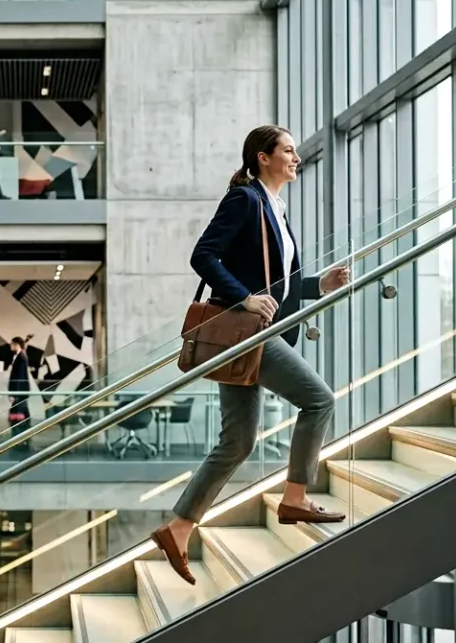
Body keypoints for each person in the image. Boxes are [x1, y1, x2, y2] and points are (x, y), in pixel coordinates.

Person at [150, 125, 352, 585]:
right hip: (247, 332)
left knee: (237, 442)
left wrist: (320, 284)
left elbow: (275, 285)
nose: (296, 157)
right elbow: (204, 256)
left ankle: (178, 528)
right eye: (288, 150)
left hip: (254, 329)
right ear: (263, 158)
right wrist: (242, 298)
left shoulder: (276, 208)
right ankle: (296, 496)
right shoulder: (246, 200)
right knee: (319, 400)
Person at [7, 336, 33, 449]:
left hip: (19, 391)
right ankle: (23, 437)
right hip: (21, 391)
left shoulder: (21, 357)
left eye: (12, 344)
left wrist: (14, 394)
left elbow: (20, 377)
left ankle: (20, 439)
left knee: (17, 414)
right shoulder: (20, 356)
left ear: (16, 344)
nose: (10, 346)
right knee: (22, 413)